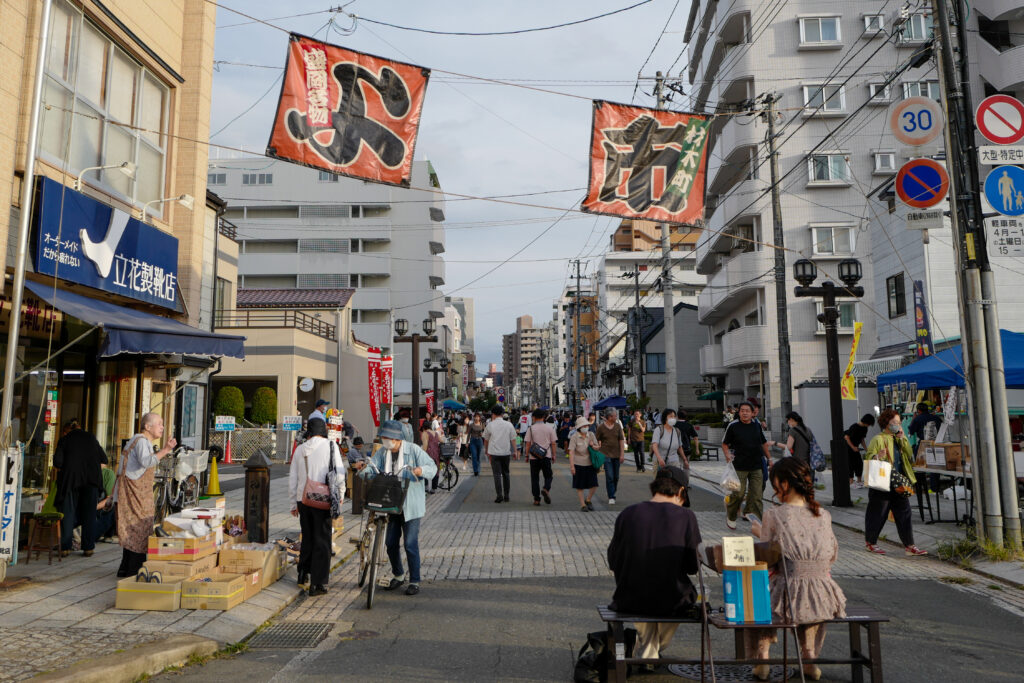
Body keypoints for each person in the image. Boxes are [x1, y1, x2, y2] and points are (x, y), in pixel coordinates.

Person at [747, 458, 846, 681]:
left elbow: (767, 559)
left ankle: (762, 658)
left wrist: (759, 531)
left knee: (759, 595)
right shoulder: (824, 515)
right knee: (808, 595)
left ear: (783, 484)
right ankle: (809, 657)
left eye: (775, 484)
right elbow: (832, 555)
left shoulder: (774, 514)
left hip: (787, 593)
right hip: (824, 595)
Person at [607, 466, 701, 662]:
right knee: (682, 592)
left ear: (654, 487)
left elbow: (613, 560)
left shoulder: (627, 513)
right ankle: (653, 650)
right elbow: (693, 566)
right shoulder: (686, 517)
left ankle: (649, 650)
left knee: (647, 585)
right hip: (671, 600)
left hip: (628, 597)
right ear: (681, 491)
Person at [360, 420, 437, 596]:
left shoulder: (413, 450)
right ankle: (399, 574)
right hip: (390, 503)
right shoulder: (382, 452)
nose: (386, 440)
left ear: (397, 438)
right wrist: (362, 469)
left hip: (410, 505)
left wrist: (420, 470)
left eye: (388, 437)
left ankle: (415, 580)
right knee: (390, 542)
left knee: (410, 543)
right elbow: (373, 470)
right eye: (384, 437)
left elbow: (432, 467)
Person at [115, 412, 177, 577]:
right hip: (136, 495)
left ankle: (125, 568)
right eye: (159, 424)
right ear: (147, 427)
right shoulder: (142, 441)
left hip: (132, 493)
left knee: (132, 529)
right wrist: (166, 450)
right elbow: (146, 461)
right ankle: (134, 570)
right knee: (139, 528)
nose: (162, 427)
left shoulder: (136, 441)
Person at [289, 418, 344, 596]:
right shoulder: (331, 446)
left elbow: (293, 478)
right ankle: (318, 583)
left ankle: (303, 573)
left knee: (308, 537)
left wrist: (293, 503)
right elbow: (339, 472)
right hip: (323, 499)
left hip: (303, 499)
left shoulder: (300, 449)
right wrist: (340, 495)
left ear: (309, 432)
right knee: (322, 540)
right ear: (324, 430)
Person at [864, 409, 928, 556]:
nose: (898, 425)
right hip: (882, 483)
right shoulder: (878, 439)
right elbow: (868, 457)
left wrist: (902, 439)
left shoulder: (898, 438)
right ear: (886, 423)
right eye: (894, 423)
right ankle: (870, 542)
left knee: (905, 513)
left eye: (899, 423)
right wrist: (877, 456)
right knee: (878, 513)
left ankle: (910, 545)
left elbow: (909, 454)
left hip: (898, 482)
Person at [52, 420, 107, 557]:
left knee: (68, 512)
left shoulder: (65, 440)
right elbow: (104, 459)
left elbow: (57, 462)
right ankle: (88, 547)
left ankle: (65, 547)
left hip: (71, 479)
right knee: (89, 513)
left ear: (66, 431)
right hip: (92, 480)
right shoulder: (91, 438)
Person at [721, 402, 771, 530]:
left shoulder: (756, 425)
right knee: (738, 493)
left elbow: (763, 443)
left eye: (747, 410)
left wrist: (769, 458)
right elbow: (725, 443)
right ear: (739, 412)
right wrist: (727, 455)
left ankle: (757, 521)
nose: (744, 413)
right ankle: (731, 516)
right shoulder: (733, 426)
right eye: (742, 410)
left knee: (757, 495)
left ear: (752, 412)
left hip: (756, 465)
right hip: (739, 466)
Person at [483, 404, 518, 503]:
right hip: (506, 452)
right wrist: (515, 451)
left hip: (494, 453)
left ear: (493, 414)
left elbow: (486, 439)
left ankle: (499, 495)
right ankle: (507, 495)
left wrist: (486, 450)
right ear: (502, 414)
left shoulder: (490, 425)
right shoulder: (509, 425)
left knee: (497, 474)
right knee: (506, 474)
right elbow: (513, 439)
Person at [523, 408, 558, 506]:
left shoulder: (531, 428)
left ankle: (536, 499)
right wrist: (554, 455)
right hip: (546, 456)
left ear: (534, 417)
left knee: (534, 478)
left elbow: (528, 444)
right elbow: (554, 443)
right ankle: (546, 489)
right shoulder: (549, 428)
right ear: (544, 417)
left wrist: (526, 455)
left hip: (534, 457)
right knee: (548, 475)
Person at [568, 416, 600, 511]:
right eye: (584, 426)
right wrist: (572, 466)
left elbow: (597, 448)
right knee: (580, 486)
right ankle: (583, 505)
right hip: (579, 464)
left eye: (587, 425)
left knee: (594, 484)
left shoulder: (591, 435)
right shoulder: (574, 437)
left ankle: (588, 499)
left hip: (590, 463)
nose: (586, 427)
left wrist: (593, 445)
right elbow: (571, 452)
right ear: (579, 427)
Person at [596, 407, 625, 505]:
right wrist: (598, 450)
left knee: (616, 477)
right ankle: (611, 496)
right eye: (615, 415)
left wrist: (622, 454)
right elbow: (597, 439)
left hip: (616, 455)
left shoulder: (617, 427)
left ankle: (613, 491)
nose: (616, 417)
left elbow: (621, 440)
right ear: (609, 417)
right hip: (606, 455)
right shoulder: (600, 427)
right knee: (610, 476)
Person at [843, 414, 875, 488]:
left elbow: (862, 439)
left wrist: (867, 449)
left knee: (859, 463)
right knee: (850, 463)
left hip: (855, 447)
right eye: (869, 424)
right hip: (847, 446)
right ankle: (851, 481)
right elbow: (846, 437)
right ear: (866, 421)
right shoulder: (854, 427)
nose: (869, 425)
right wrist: (853, 447)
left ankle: (859, 481)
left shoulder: (865, 428)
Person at [419, 421, 442, 494]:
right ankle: (433, 488)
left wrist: (421, 453)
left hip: (428, 454)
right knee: (435, 470)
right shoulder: (436, 433)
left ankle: (426, 486)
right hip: (436, 454)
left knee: (425, 469)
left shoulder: (425, 433)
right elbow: (441, 441)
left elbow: (425, 446)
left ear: (423, 427)